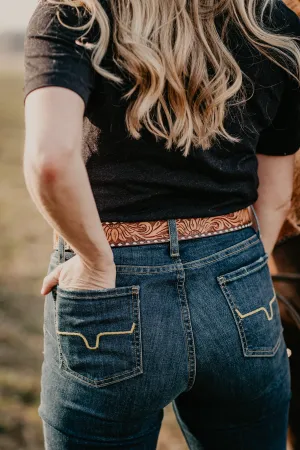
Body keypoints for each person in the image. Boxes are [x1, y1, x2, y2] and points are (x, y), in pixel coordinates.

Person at [23, 0, 300, 448]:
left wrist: (93, 261)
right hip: (240, 283)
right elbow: (276, 193)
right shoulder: (271, 21)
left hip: (111, 287)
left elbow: (50, 160)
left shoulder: (73, 15)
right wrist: (247, 275)